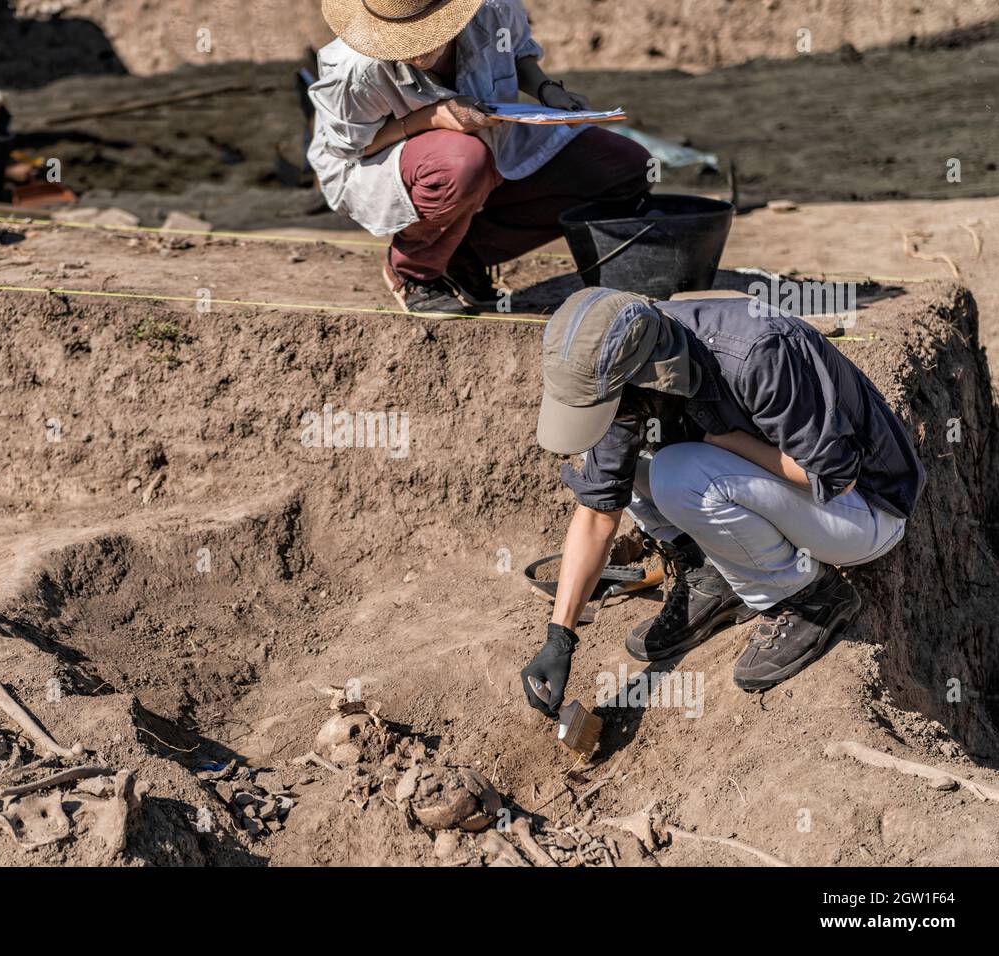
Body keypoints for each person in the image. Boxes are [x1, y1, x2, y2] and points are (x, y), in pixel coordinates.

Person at [520, 287, 926, 716]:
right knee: (613, 458)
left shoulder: (756, 355)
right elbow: (598, 511)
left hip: (865, 511)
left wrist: (730, 443)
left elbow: (835, 477)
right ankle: (712, 574)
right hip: (786, 495)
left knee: (677, 474)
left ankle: (808, 598)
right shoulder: (632, 372)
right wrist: (559, 637)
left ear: (642, 373)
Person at [308, 0, 652, 315]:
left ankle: (463, 254)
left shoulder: (492, 11)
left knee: (624, 167)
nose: (416, 54)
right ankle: (414, 269)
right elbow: (354, 147)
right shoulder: (356, 68)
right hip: (382, 161)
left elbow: (518, 54)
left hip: (492, 140)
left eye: (425, 36)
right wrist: (431, 118)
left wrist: (548, 91)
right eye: (402, 44)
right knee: (462, 162)